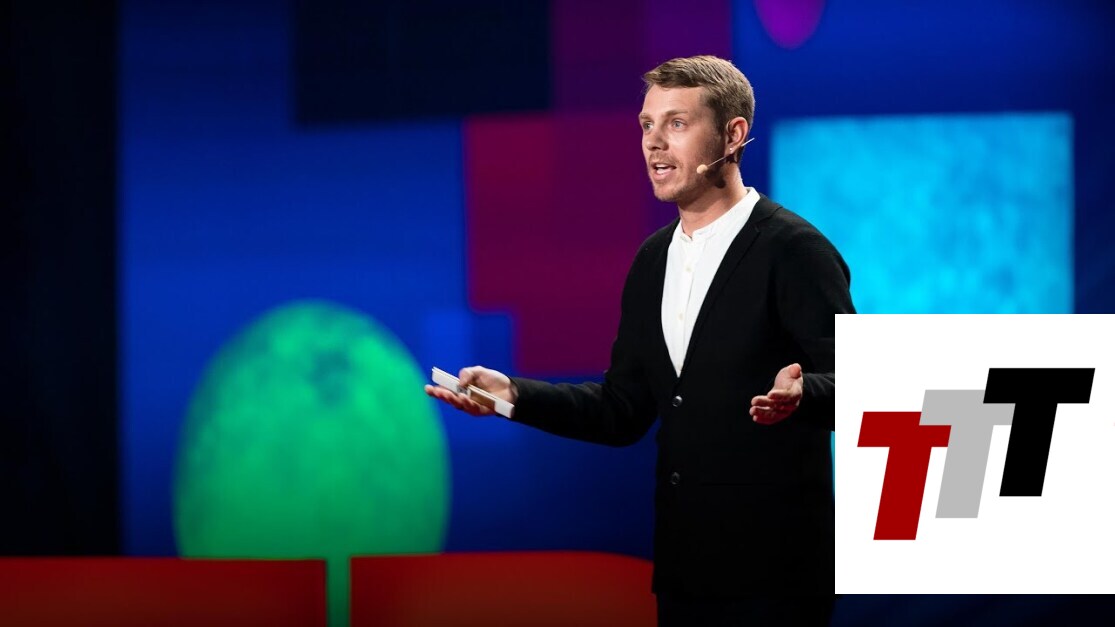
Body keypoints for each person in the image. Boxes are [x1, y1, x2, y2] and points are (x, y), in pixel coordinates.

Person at [426, 55, 854, 626]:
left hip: (776, 579)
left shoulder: (794, 250)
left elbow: (866, 385)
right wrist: (514, 396)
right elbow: (622, 410)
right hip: (683, 576)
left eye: (677, 123)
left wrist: (805, 395)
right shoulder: (652, 260)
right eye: (647, 125)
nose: (654, 142)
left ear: (733, 135)